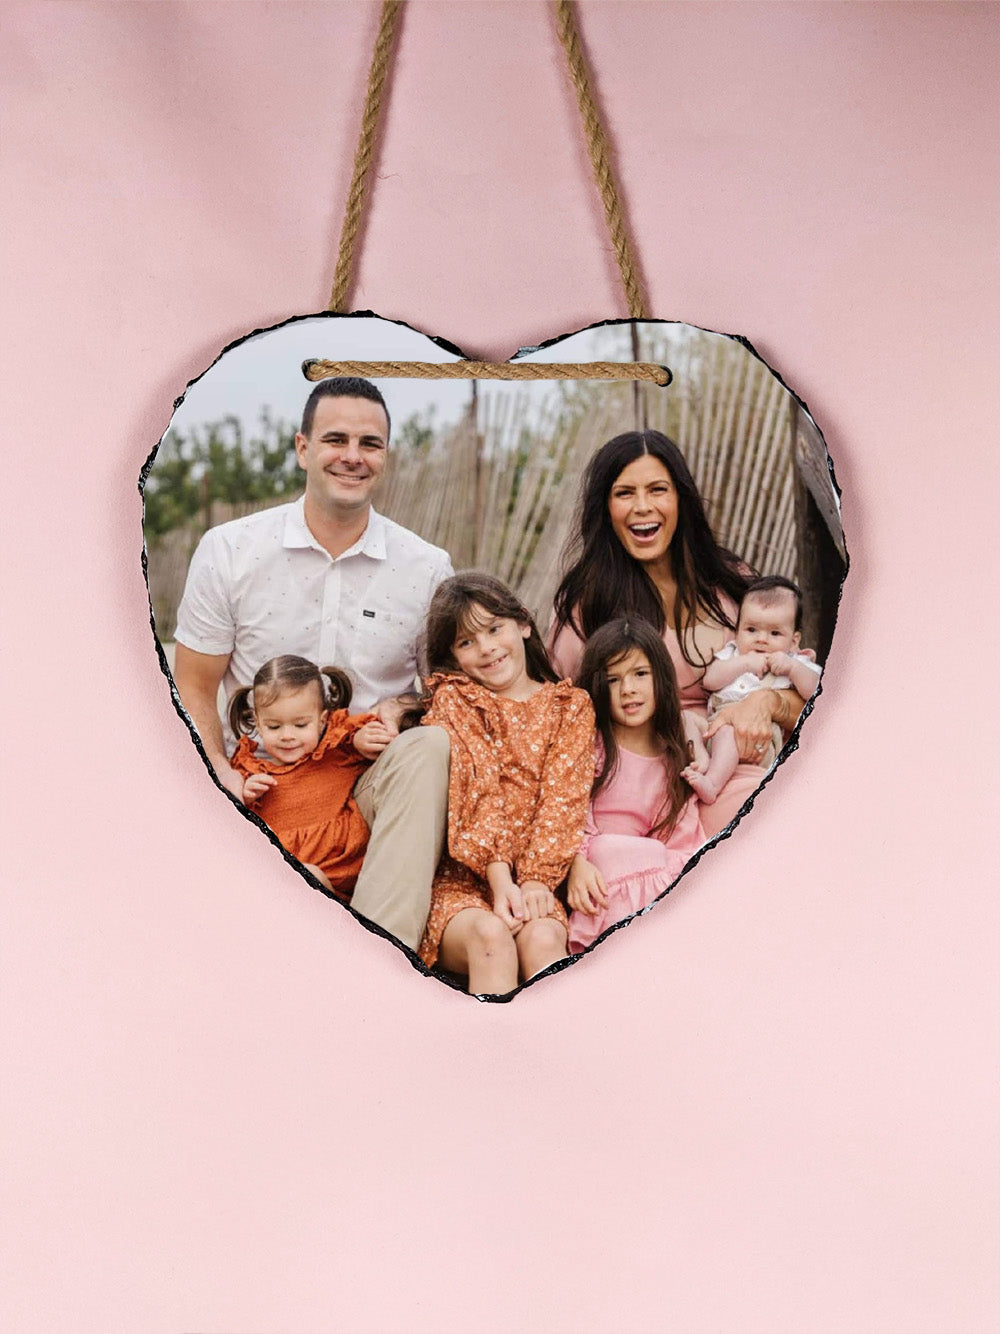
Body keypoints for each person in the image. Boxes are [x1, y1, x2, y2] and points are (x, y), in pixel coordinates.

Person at [172, 376, 454, 951]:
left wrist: (396, 713)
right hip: (263, 782)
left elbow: (444, 693)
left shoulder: (425, 567)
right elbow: (194, 684)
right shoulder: (230, 550)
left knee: (429, 747)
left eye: (370, 444)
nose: (353, 456)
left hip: (370, 783)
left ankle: (379, 956)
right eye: (336, 439)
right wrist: (219, 774)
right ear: (303, 448)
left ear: (386, 457)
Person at [548, 429, 807, 837]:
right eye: (624, 493)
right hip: (641, 786)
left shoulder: (733, 585)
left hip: (739, 768)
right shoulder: (589, 604)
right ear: (605, 507)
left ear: (680, 499)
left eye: (657, 489)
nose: (643, 507)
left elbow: (808, 688)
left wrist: (767, 703)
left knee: (769, 821)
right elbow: (558, 711)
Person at [417, 573, 595, 995]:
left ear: (523, 624)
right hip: (465, 881)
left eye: (495, 629)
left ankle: (561, 1053)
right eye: (466, 642)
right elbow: (479, 790)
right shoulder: (457, 699)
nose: (487, 649)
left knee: (544, 940)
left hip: (538, 877)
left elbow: (563, 799)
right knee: (491, 937)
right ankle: (487, 1060)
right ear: (453, 657)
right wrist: (502, 885)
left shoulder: (569, 707)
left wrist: (535, 880)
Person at [566, 619, 705, 954]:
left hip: (647, 889)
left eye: (640, 674)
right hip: (585, 880)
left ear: (661, 678)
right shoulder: (590, 746)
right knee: (607, 850)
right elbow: (566, 813)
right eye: (613, 679)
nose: (628, 688)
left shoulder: (674, 759)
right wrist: (576, 862)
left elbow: (682, 847)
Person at [229, 655, 387, 898]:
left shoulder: (335, 752)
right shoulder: (251, 771)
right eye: (274, 727)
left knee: (309, 875)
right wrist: (246, 794)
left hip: (343, 877)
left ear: (321, 721)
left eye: (300, 725)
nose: (287, 735)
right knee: (303, 874)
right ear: (258, 724)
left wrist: (359, 738)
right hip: (283, 885)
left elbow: (358, 732)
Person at [682, 576, 822, 804]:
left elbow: (816, 692)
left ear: (794, 640)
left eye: (775, 633)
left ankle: (713, 783)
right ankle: (702, 759)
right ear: (737, 631)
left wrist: (793, 669)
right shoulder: (734, 654)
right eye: (751, 630)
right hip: (715, 727)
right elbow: (710, 680)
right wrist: (744, 663)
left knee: (729, 732)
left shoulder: (794, 661)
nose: (761, 640)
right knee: (685, 719)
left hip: (761, 736)